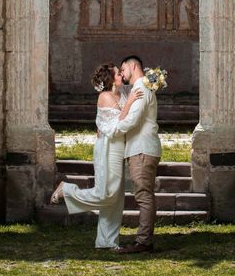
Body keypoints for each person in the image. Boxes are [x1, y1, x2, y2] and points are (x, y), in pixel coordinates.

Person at [50, 63, 143, 249]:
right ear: (111, 78)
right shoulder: (105, 97)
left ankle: (106, 241)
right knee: (106, 194)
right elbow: (115, 127)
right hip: (108, 147)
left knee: (116, 199)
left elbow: (138, 84)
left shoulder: (122, 92)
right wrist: (131, 102)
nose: (121, 74)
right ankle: (66, 190)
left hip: (119, 147)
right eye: (118, 73)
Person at [112, 55, 161, 254]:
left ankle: (143, 242)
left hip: (142, 149)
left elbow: (132, 120)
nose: (122, 74)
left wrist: (112, 129)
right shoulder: (141, 87)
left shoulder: (141, 87)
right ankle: (144, 240)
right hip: (140, 148)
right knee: (143, 194)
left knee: (143, 195)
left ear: (133, 66)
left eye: (123, 69)